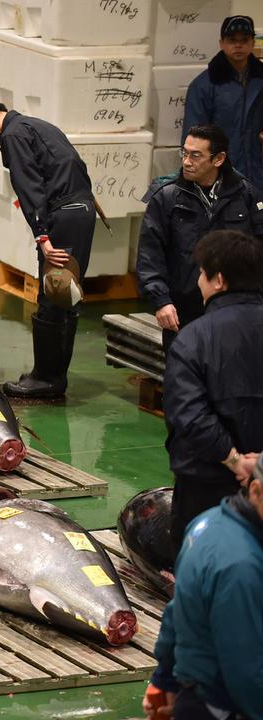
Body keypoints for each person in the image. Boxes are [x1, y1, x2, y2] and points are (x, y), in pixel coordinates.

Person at [0, 99, 95, 399]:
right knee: (66, 292)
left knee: (53, 291)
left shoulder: (13, 135)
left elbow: (29, 187)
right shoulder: (38, 125)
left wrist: (43, 238)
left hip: (62, 215)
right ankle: (53, 376)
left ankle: (46, 379)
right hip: (81, 210)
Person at [162, 229, 263, 552]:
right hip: (262, 480)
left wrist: (235, 461)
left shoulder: (193, 339)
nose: (198, 284)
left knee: (202, 570)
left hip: (206, 484)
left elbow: (189, 414)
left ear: (218, 280)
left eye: (202, 275)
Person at [146, 463, 263, 720]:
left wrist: (164, 679)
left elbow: (177, 610)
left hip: (193, 694)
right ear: (255, 490)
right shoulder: (241, 566)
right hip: (224, 704)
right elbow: (245, 670)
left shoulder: (207, 522)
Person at [137, 124, 263, 352]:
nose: (186, 161)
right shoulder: (167, 197)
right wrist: (161, 301)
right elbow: (150, 255)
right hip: (182, 312)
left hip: (233, 311)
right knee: (184, 379)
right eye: (184, 153)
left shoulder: (247, 195)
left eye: (196, 156)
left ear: (219, 159)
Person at [183, 15, 263, 189]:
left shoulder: (260, 80)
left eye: (244, 40)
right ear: (222, 43)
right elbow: (193, 141)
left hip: (258, 175)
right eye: (232, 40)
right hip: (220, 177)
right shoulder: (203, 86)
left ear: (252, 43)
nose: (238, 45)